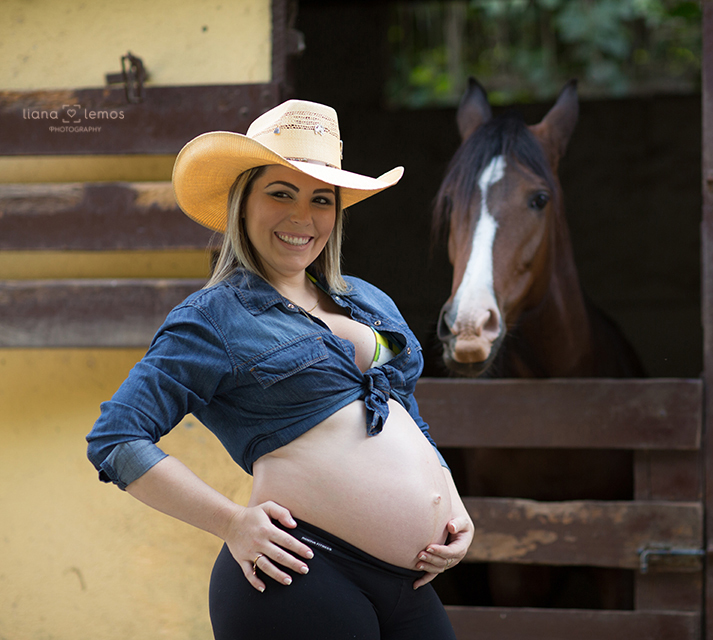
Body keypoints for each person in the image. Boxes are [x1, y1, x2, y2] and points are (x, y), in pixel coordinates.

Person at [86, 100, 473, 640]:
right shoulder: (213, 318)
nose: (302, 217)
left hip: (408, 585)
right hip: (300, 573)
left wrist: (452, 503)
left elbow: (400, 409)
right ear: (242, 203)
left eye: (321, 199)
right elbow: (117, 437)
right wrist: (232, 523)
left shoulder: (368, 301)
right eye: (281, 192)